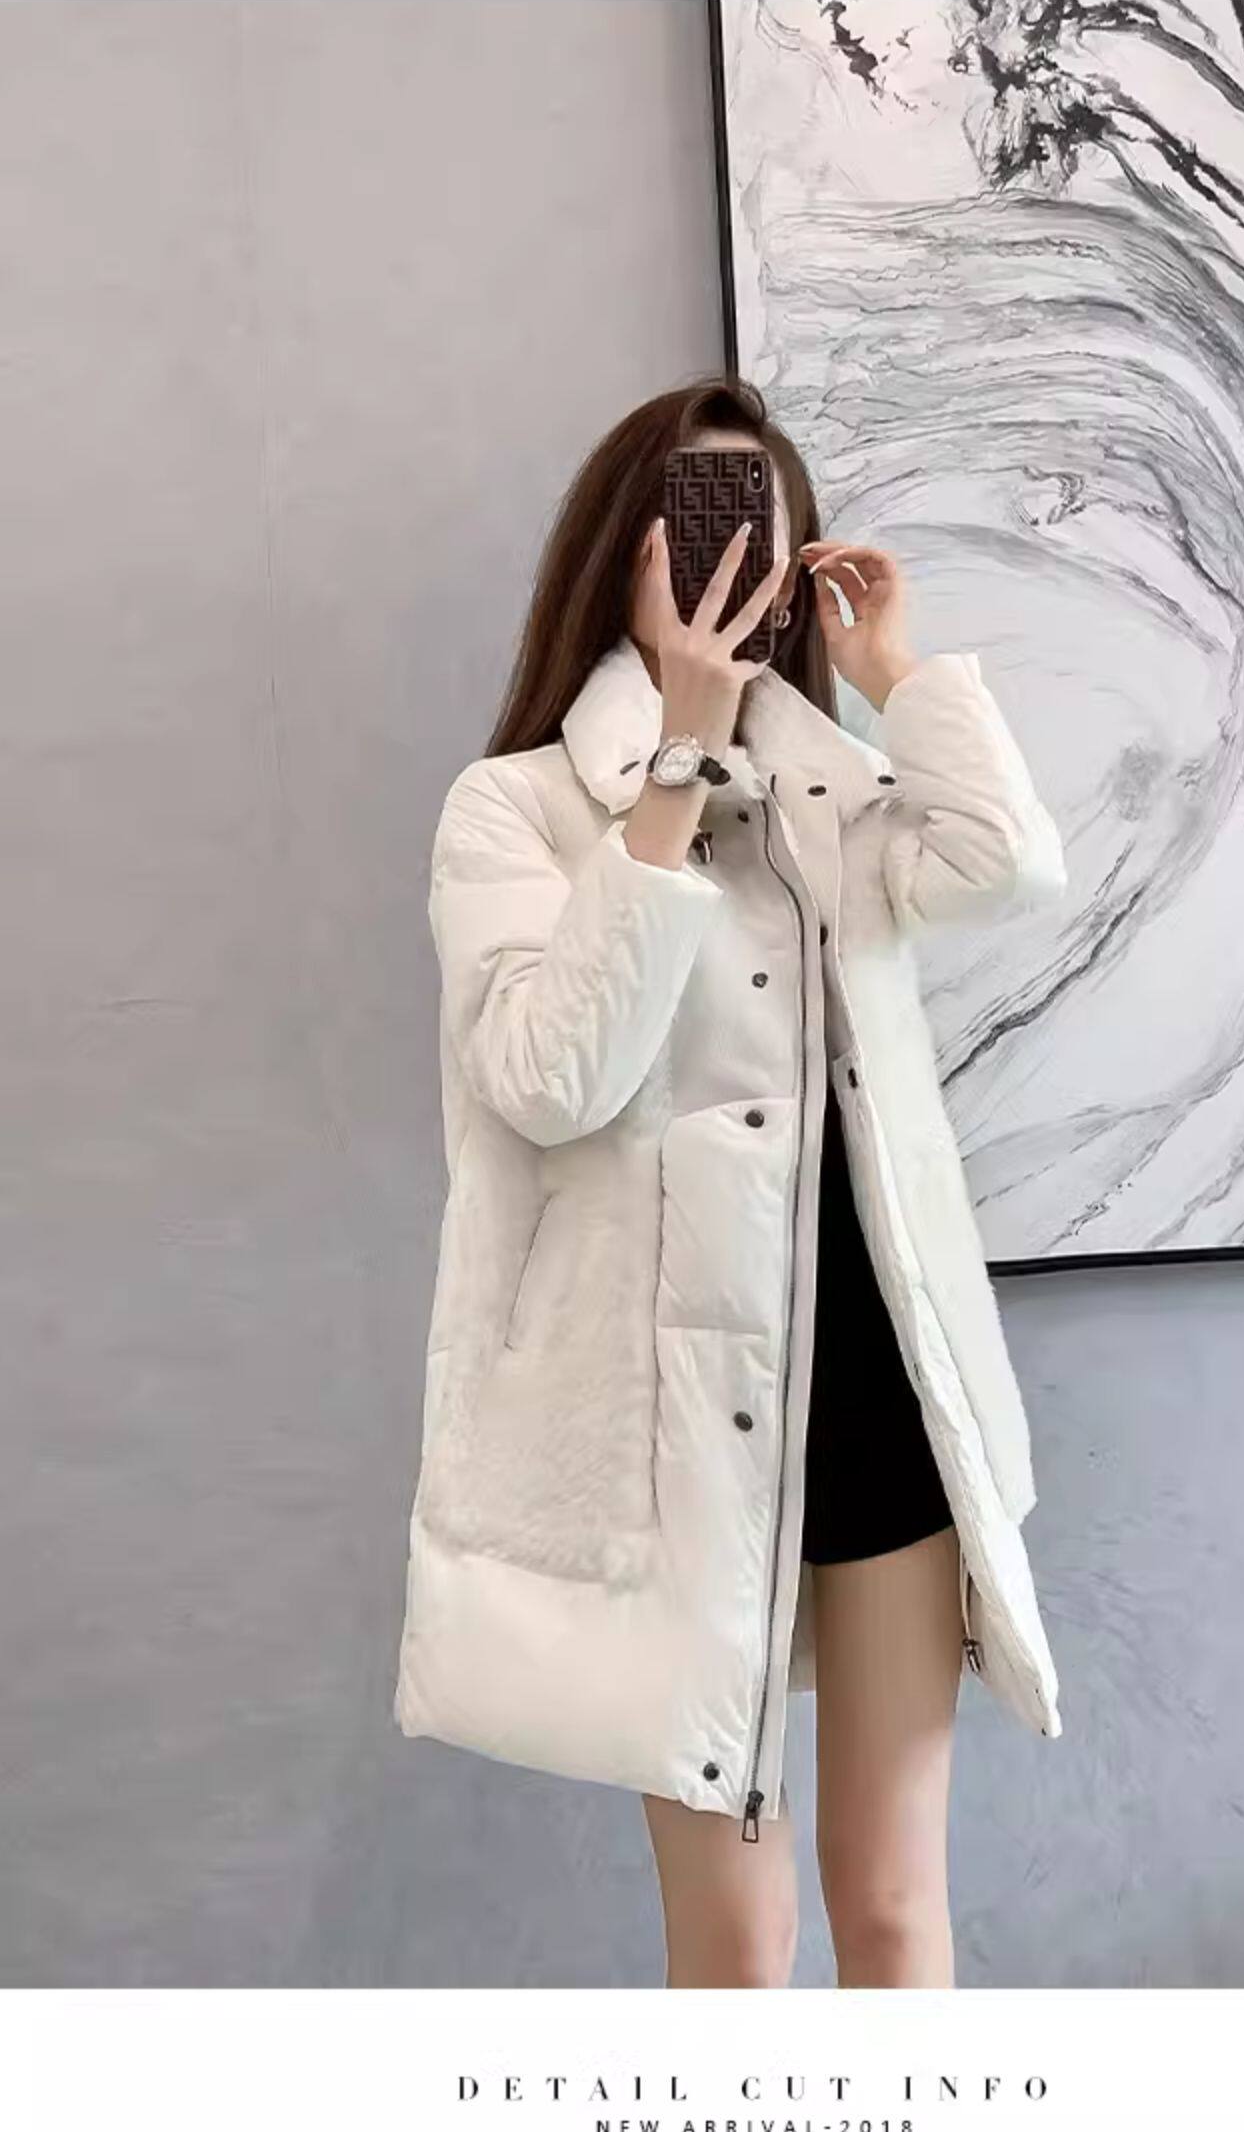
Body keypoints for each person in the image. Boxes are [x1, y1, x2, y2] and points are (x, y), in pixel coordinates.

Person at [394, 373, 1068, 1988]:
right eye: (692, 523)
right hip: (677, 1429)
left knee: (893, 1902)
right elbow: (548, 1077)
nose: (725, 561)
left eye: (757, 527)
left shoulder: (836, 788)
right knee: (736, 1935)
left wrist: (897, 675)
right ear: (620, 553)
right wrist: (677, 767)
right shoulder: (519, 808)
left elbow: (1006, 865)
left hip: (882, 1398)